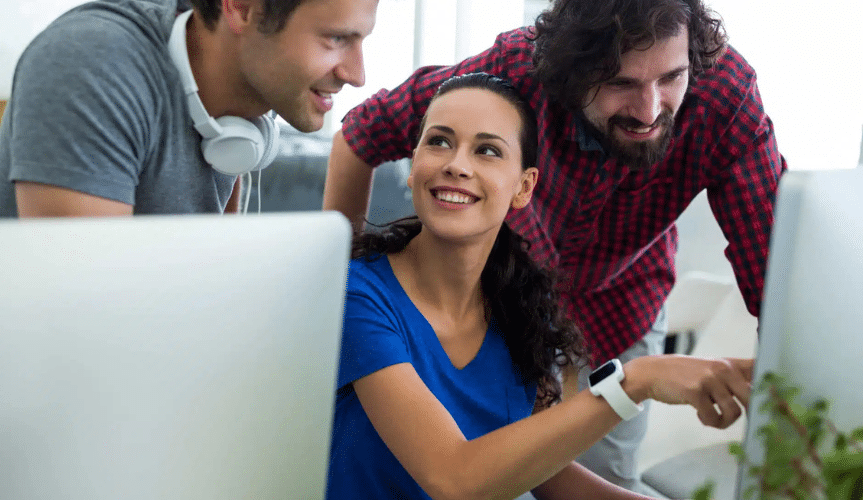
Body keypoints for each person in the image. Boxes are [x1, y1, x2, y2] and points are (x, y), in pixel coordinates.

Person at [323, 0, 785, 490]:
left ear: (526, 184)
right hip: (496, 302)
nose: (649, 110)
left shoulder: (725, 98)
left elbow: (777, 280)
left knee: (575, 469)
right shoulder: (507, 78)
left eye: (671, 77)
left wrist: (806, 417)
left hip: (598, 307)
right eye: (621, 83)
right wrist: (336, 294)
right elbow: (361, 134)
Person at [0, 0, 378, 218]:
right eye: (336, 39)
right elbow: (82, 315)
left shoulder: (245, 110)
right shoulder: (91, 65)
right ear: (243, 8)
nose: (357, 75)